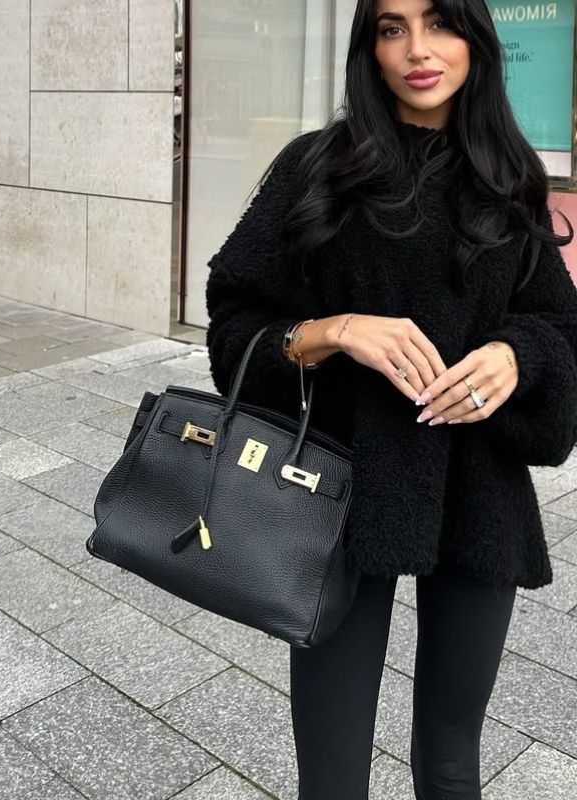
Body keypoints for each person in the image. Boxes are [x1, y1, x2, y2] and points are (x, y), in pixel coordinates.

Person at [205, 0, 577, 797]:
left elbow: (558, 325)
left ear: (475, 40)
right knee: (332, 774)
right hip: (337, 490)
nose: (417, 49)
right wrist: (332, 330)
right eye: (391, 27)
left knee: (451, 761)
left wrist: (518, 355)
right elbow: (234, 325)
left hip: (478, 494)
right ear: (368, 47)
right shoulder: (317, 166)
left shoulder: (508, 176)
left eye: (440, 23)